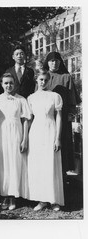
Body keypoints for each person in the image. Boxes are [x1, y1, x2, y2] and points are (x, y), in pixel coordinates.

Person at [0, 73, 31, 210]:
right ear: (1, 84)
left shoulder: (21, 100)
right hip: (1, 133)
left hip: (16, 132)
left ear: (15, 84)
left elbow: (25, 120)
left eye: (11, 83)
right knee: (3, 162)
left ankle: (13, 196)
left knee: (14, 161)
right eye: (6, 83)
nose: (9, 85)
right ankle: (4, 195)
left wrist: (25, 139)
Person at [26, 70, 64, 211]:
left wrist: (57, 138)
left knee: (51, 164)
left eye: (46, 80)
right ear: (36, 80)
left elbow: (59, 117)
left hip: (50, 130)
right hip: (36, 132)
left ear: (49, 81)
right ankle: (42, 200)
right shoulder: (31, 98)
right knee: (39, 165)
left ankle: (54, 200)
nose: (43, 82)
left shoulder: (55, 96)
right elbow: (29, 120)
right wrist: (26, 138)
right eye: (41, 79)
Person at [43, 51, 81, 179]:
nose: (54, 63)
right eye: (51, 61)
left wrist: (70, 113)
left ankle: (62, 175)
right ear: (47, 62)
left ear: (60, 63)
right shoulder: (43, 76)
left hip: (62, 116)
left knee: (62, 144)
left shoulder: (66, 77)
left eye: (56, 61)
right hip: (45, 117)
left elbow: (71, 98)